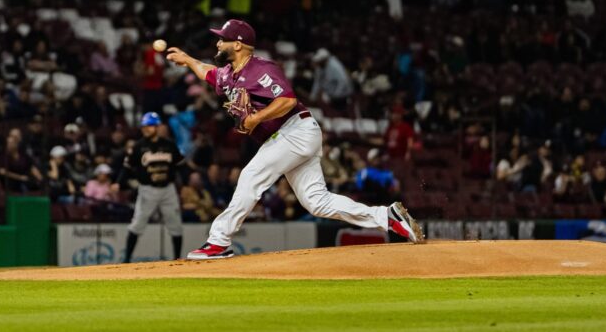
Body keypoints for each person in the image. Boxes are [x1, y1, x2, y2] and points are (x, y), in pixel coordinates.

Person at [166, 19, 423, 260]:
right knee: (317, 202)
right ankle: (387, 217)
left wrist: (256, 119)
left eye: (223, 39)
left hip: (294, 130)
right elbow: (208, 72)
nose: (218, 43)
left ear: (238, 44)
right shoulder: (229, 74)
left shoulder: (261, 69)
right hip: (289, 137)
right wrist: (188, 60)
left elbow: (287, 99)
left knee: (251, 175)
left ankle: (219, 241)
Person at [117, 112, 185, 263]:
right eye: (144, 126)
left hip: (168, 189)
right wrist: (118, 182)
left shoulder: (169, 145)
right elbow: (127, 167)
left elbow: (180, 164)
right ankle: (127, 260)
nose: (146, 129)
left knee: (175, 225)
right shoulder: (139, 146)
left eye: (149, 126)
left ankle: (178, 258)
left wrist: (183, 184)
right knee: (137, 223)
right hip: (148, 190)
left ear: (157, 126)